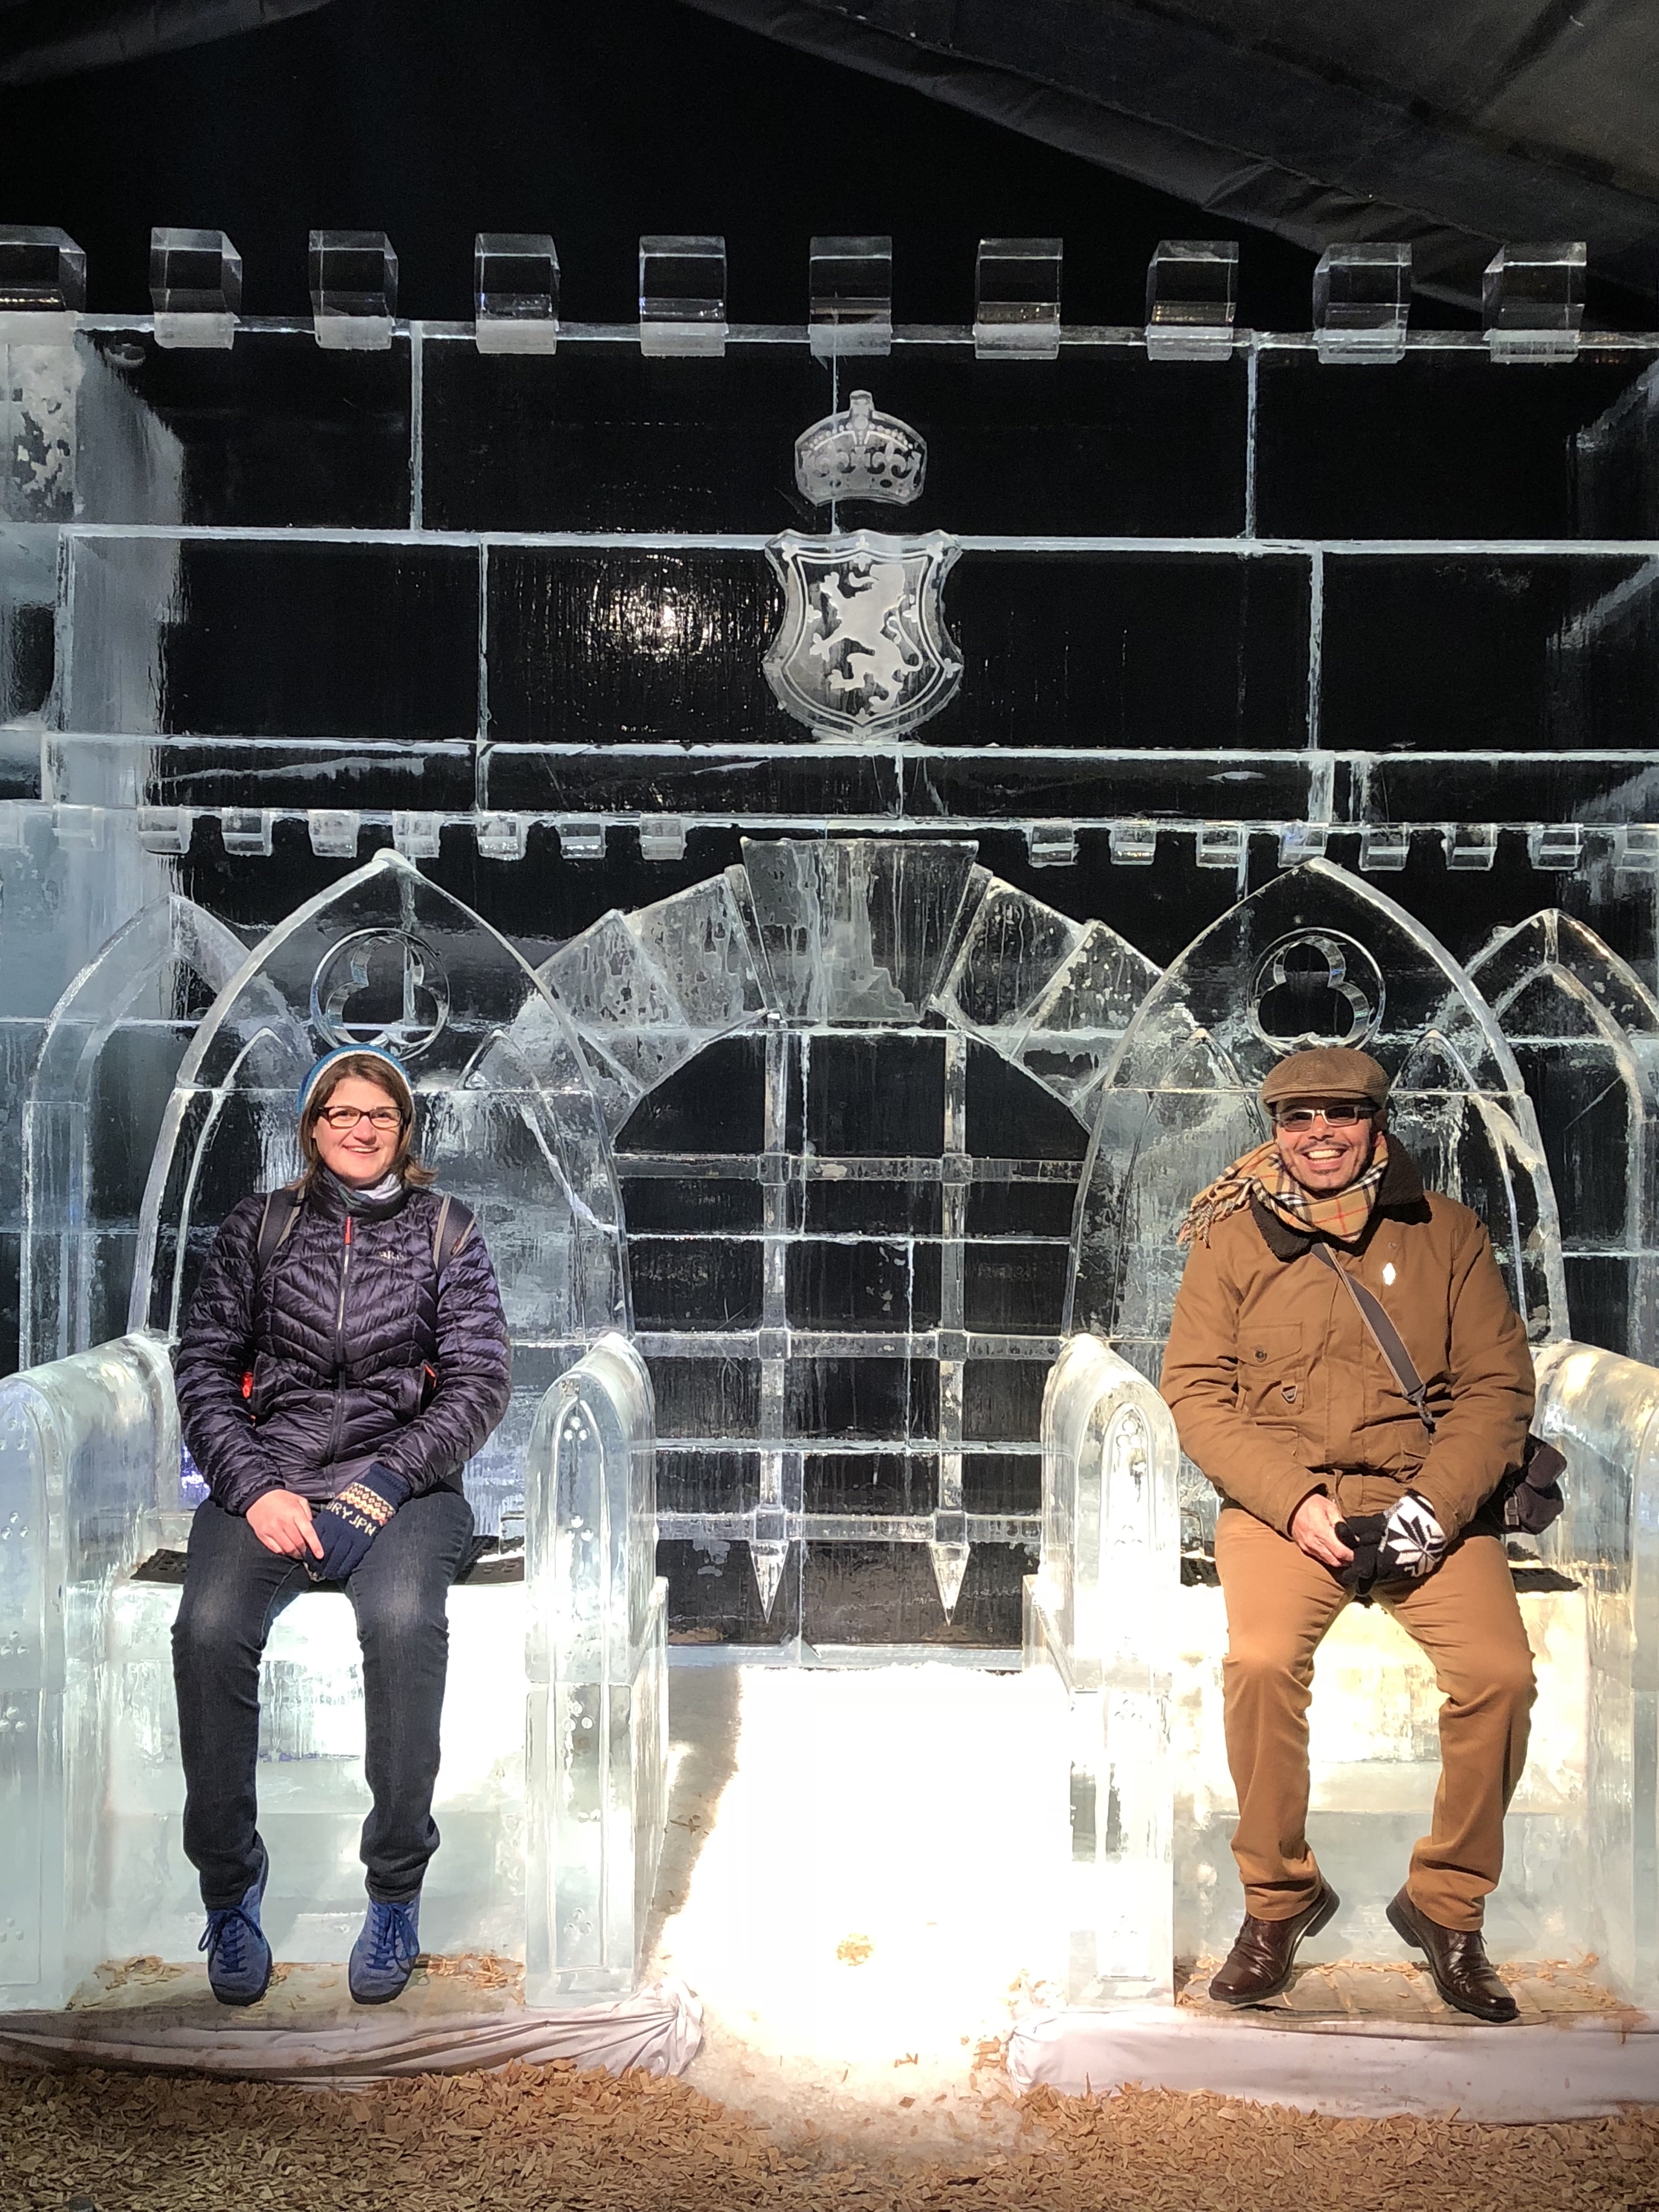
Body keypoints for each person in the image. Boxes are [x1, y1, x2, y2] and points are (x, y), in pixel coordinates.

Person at [1160, 1045, 1537, 2023]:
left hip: (1424, 1497)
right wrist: (1291, 1501)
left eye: (1341, 1115)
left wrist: (1436, 1508)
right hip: (1287, 1508)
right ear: (1275, 1130)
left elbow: (1497, 1388)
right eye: (1298, 1118)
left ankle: (1446, 1906)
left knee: (1499, 1676)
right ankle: (1279, 1898)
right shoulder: (1229, 1241)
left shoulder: (1448, 1233)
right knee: (1259, 1664)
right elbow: (1195, 1393)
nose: (1319, 1135)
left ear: (1377, 1124)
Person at [171, 1045, 512, 2008]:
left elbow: (481, 1380)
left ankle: (395, 1891)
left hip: (404, 1484)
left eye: (381, 1115)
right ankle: (229, 1892)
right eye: (342, 1113)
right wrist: (253, 1487)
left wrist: (387, 1481)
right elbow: (203, 1366)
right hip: (272, 1476)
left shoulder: (448, 1231)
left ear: (406, 1132)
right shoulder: (261, 1227)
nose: (361, 1130)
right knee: (208, 1630)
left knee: (404, 1625)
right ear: (313, 1126)